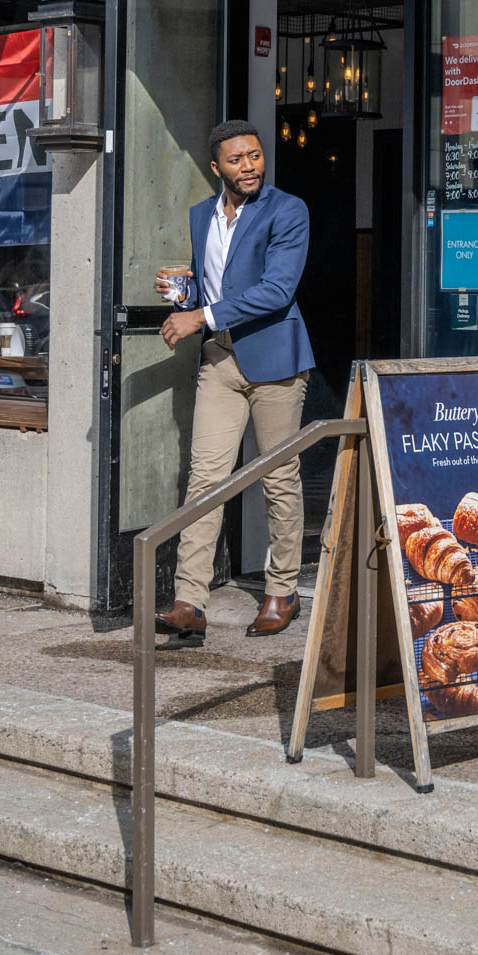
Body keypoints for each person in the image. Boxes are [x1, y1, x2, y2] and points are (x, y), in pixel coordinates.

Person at [154, 119, 314, 645]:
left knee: (278, 477)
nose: (249, 166)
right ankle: (189, 600)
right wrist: (182, 294)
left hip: (275, 361)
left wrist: (197, 317)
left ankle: (282, 590)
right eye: (237, 160)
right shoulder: (202, 214)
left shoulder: (287, 210)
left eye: (255, 156)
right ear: (216, 166)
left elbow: (276, 290)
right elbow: (211, 285)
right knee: (205, 479)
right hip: (221, 361)